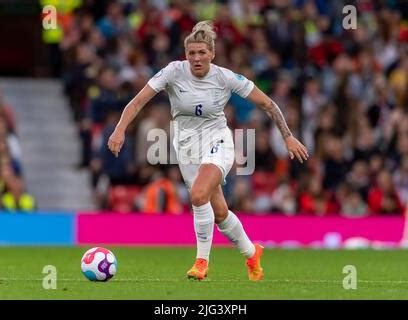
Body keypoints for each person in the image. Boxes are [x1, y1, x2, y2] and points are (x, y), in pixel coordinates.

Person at [108, 21, 309, 281]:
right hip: (186, 149)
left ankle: (201, 262)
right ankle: (251, 253)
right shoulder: (173, 72)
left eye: (202, 52)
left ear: (212, 53)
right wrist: (120, 129)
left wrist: (288, 136)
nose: (196, 58)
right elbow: (137, 102)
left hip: (218, 141)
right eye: (191, 53)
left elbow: (268, 104)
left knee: (199, 195)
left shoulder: (225, 78)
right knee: (221, 214)